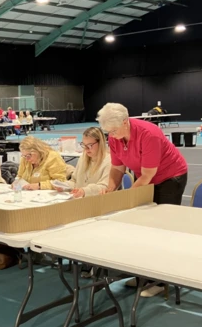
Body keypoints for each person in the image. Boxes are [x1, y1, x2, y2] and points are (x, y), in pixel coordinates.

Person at [98, 103, 188, 297]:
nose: (111, 135)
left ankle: (161, 281)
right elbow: (117, 168)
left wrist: (126, 197)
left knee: (161, 229)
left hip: (170, 178)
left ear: (125, 122)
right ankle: (143, 275)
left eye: (113, 130)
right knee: (142, 227)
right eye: (108, 132)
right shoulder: (115, 138)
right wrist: (110, 189)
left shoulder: (149, 134)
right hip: (146, 178)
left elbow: (147, 175)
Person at [56, 127, 110, 198]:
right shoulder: (83, 158)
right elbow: (74, 181)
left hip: (98, 203)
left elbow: (105, 187)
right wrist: (64, 186)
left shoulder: (109, 161)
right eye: (84, 145)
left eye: (90, 145)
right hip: (80, 200)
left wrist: (84, 191)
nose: (86, 149)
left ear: (100, 143)